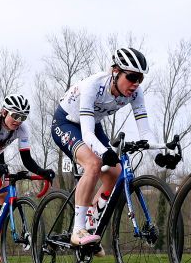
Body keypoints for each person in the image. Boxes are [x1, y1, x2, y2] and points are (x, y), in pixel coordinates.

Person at [51, 48, 152, 248]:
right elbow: (87, 135)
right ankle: (77, 230)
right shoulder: (93, 86)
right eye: (132, 77)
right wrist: (104, 153)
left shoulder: (135, 93)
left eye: (140, 78)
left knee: (116, 172)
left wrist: (161, 153)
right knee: (93, 163)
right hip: (67, 122)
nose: (135, 84)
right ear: (115, 72)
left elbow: (146, 133)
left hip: (92, 124)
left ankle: (90, 223)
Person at [0, 94, 55, 262]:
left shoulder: (23, 129)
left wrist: (42, 172)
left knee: (5, 201)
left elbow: (27, 159)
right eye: (15, 115)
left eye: (23, 117)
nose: (18, 120)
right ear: (4, 112)